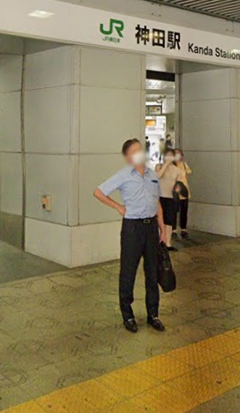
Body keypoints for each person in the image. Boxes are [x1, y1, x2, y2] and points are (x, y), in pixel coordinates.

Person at [93, 139, 166, 333]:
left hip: (151, 228)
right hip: (132, 229)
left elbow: (157, 201)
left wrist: (162, 227)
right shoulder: (123, 175)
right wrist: (118, 207)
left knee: (153, 272)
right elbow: (98, 192)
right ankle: (128, 314)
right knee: (128, 272)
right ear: (128, 157)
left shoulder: (152, 175)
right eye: (134, 151)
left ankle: (153, 314)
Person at [155, 148, 181, 251]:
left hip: (171, 198)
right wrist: (165, 165)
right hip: (160, 197)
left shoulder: (177, 170)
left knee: (169, 222)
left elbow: (178, 183)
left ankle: (168, 243)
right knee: (160, 221)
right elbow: (157, 176)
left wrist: (178, 189)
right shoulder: (159, 166)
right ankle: (159, 242)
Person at [172, 148, 192, 241]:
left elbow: (187, 175)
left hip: (184, 191)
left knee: (184, 211)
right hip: (174, 192)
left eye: (179, 154)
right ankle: (173, 230)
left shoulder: (184, 165)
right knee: (174, 211)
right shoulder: (171, 165)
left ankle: (184, 229)